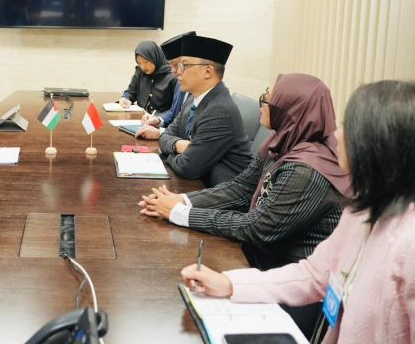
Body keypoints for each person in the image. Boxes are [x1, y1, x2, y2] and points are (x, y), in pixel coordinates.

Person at [181, 80, 415, 344]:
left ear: (380, 145)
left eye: (349, 128)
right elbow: (314, 275)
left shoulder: (409, 246)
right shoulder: (361, 211)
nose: (338, 135)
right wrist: (230, 284)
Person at [140, 73, 351, 270]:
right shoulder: (282, 141)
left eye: (266, 100)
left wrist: (179, 212)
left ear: (290, 111)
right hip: (259, 256)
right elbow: (242, 188)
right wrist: (182, 200)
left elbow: (257, 227)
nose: (261, 106)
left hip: (284, 272)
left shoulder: (306, 170)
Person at [158, 34, 252, 186]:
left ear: (208, 71)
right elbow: (166, 134)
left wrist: (167, 153)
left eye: (184, 65)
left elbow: (187, 167)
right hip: (198, 183)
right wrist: (177, 145)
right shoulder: (193, 98)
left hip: (220, 192)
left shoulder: (220, 110)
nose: (178, 72)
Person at [137, 31, 195, 138]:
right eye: (171, 65)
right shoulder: (180, 82)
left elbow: (192, 139)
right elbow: (174, 113)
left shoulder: (202, 95)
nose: (173, 71)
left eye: (178, 65)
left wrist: (160, 133)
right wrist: (158, 119)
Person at [119, 40, 176, 114]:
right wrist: (125, 98)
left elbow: (175, 110)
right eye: (139, 63)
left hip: (160, 119)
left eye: (146, 62)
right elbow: (130, 93)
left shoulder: (172, 76)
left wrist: (158, 118)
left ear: (154, 57)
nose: (143, 67)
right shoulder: (140, 72)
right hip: (141, 117)